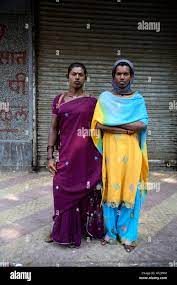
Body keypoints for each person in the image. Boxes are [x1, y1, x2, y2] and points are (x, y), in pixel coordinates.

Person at [91, 59, 149, 252]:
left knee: (129, 189)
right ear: (113, 76)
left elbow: (142, 124)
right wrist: (126, 128)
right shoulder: (105, 98)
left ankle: (127, 235)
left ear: (131, 76)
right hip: (111, 150)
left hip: (132, 150)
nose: (122, 77)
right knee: (111, 189)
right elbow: (97, 124)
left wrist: (116, 126)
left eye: (126, 74)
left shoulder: (138, 99)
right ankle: (110, 232)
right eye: (118, 74)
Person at [47, 62, 104, 247]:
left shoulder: (93, 102)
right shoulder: (59, 100)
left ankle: (81, 228)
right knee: (61, 188)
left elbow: (100, 128)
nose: (77, 77)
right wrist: (49, 154)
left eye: (81, 74)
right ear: (68, 76)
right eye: (74, 74)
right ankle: (60, 229)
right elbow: (54, 127)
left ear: (85, 78)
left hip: (87, 155)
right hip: (66, 155)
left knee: (87, 192)